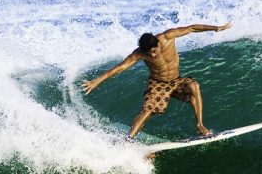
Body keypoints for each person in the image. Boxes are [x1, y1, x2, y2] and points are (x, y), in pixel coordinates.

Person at [82, 22, 232, 139]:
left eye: (154, 51)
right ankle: (129, 138)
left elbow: (192, 28)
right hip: (158, 83)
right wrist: (97, 81)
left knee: (194, 85)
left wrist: (215, 28)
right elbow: (120, 67)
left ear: (158, 44)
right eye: (149, 53)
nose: (153, 56)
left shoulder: (168, 36)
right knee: (148, 110)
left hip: (176, 80)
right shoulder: (139, 53)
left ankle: (200, 125)